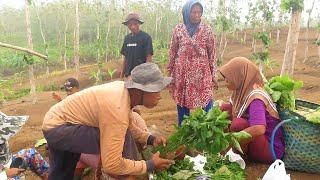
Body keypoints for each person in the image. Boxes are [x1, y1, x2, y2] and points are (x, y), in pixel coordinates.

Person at [42, 63, 174, 180]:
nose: (160, 96)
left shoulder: (123, 93)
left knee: (62, 173)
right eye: (156, 90)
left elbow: (128, 125)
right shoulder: (117, 107)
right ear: (140, 90)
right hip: (61, 127)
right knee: (119, 142)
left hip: (57, 122)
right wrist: (149, 165)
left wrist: (150, 139)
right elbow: (112, 164)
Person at [218, 57, 285, 163]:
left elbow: (259, 128)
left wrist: (232, 139)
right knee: (225, 108)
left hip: (270, 149)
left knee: (238, 124)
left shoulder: (255, 98)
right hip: (259, 143)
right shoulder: (241, 91)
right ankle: (227, 148)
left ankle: (239, 156)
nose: (226, 81)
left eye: (229, 77)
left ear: (239, 77)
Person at [167, 0, 217, 126]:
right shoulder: (178, 29)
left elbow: (212, 54)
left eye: (199, 12)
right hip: (182, 74)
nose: (197, 15)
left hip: (202, 74)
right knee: (182, 101)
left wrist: (214, 75)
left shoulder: (206, 30)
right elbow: (173, 52)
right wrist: (169, 73)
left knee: (206, 100)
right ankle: (184, 131)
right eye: (193, 12)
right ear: (187, 13)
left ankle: (207, 128)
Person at [120, 13, 153, 79]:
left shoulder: (146, 37)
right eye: (130, 24)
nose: (133, 26)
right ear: (127, 25)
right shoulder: (127, 38)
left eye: (135, 24)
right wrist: (122, 74)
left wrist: (144, 74)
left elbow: (149, 57)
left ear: (139, 23)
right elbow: (125, 58)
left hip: (140, 75)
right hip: (128, 75)